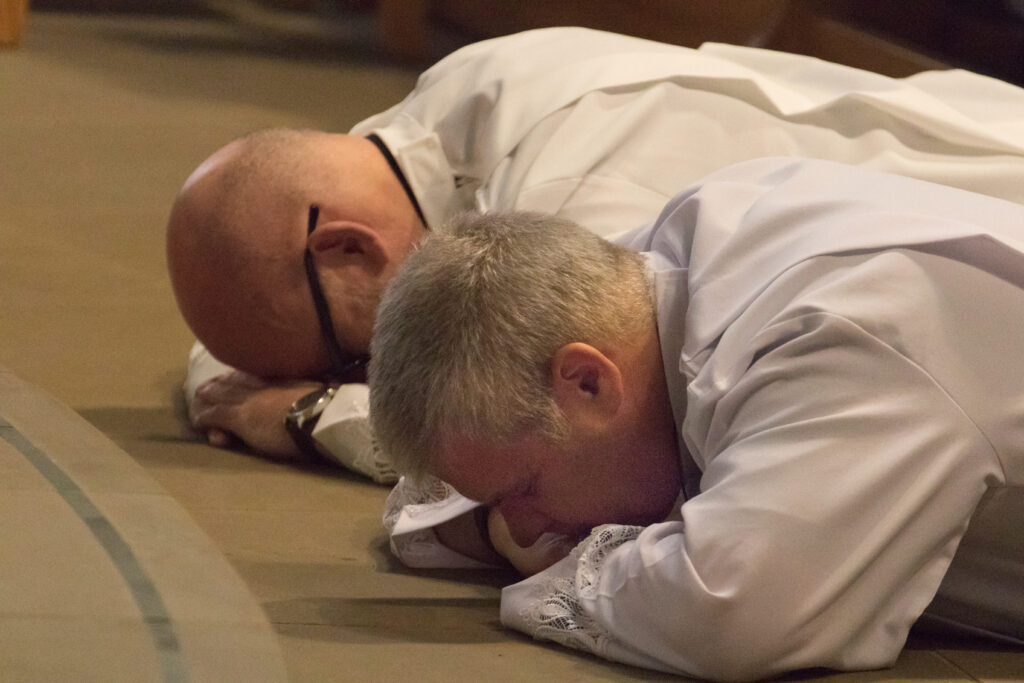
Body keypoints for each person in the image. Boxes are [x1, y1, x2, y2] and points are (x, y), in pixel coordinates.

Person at [167, 26, 1024, 488]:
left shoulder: (575, 197)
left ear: (348, 245)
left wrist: (313, 414)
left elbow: (593, 453)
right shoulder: (454, 102)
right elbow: (239, 342)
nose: (370, 372)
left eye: (352, 358)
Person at [367, 157, 1024, 680]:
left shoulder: (844, 333)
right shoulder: (636, 278)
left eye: (521, 492)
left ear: (589, 381)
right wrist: (500, 520)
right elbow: (457, 482)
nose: (519, 524)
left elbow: (731, 612)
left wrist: (547, 567)